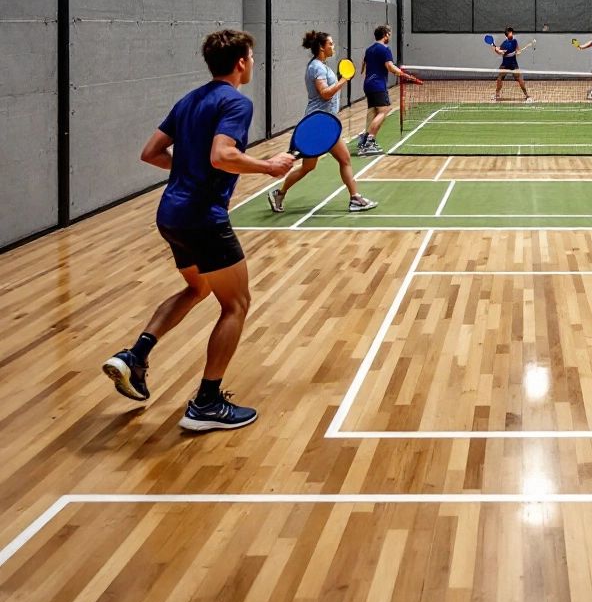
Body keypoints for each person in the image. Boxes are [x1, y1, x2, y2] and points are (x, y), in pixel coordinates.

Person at [102, 30, 294, 430]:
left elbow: (151, 152)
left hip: (170, 215)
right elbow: (223, 155)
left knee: (198, 288)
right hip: (203, 217)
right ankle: (206, 403)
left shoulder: (189, 100)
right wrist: (268, 167)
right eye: (252, 57)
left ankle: (136, 355)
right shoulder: (236, 102)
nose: (253, 63)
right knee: (236, 304)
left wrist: (191, 170)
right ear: (241, 62)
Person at [267, 31, 377, 214]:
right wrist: (343, 80)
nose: (333, 47)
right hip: (318, 125)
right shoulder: (317, 67)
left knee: (311, 166)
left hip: (325, 123)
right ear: (321, 47)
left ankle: (279, 193)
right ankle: (355, 198)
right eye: (331, 44)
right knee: (341, 160)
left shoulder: (321, 66)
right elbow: (325, 93)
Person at [357, 24, 416, 156]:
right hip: (378, 84)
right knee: (384, 110)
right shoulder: (385, 49)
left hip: (368, 84)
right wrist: (404, 74)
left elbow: (363, 67)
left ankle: (364, 140)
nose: (390, 36)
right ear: (385, 35)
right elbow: (390, 66)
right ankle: (369, 142)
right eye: (389, 34)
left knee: (373, 112)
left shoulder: (369, 49)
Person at [491, 26, 533, 102]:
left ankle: (527, 95)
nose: (512, 34)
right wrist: (497, 50)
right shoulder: (505, 43)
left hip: (513, 64)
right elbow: (500, 52)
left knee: (520, 80)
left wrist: (518, 51)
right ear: (507, 35)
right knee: (499, 79)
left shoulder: (514, 41)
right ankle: (497, 95)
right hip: (505, 64)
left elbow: (517, 49)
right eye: (510, 32)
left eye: (512, 32)